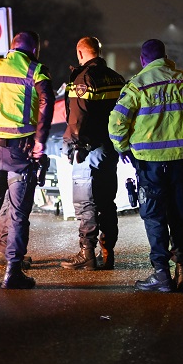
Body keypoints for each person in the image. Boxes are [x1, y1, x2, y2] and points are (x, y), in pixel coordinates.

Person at [109, 39, 183, 293]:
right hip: (182, 162)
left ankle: (161, 275)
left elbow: (116, 124)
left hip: (149, 166)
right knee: (179, 213)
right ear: (165, 57)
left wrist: (124, 149)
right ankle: (182, 269)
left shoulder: (137, 85)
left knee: (154, 217)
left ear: (144, 60)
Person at [0, 30, 54, 289]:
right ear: (34, 49)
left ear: (12, 47)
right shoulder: (36, 70)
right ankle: (12, 273)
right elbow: (47, 101)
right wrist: (40, 141)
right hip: (20, 154)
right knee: (17, 214)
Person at [59, 36, 126, 271]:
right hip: (110, 149)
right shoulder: (117, 78)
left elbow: (77, 120)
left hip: (88, 151)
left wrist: (71, 145)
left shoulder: (83, 78)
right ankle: (108, 253)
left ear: (80, 53)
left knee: (85, 201)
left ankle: (87, 253)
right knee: (107, 201)